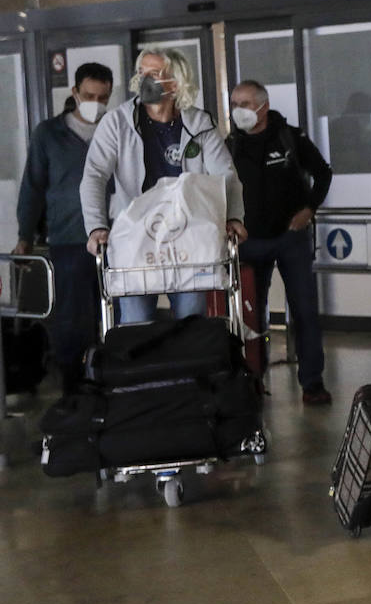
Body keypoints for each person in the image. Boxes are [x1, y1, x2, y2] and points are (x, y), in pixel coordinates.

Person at [80, 47, 246, 323]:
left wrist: (234, 217)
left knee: (191, 322)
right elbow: (94, 175)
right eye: (142, 73)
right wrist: (96, 226)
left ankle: (189, 367)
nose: (146, 80)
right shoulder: (117, 123)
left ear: (177, 81)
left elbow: (226, 174)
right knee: (136, 323)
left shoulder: (199, 124)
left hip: (187, 237)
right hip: (134, 237)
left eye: (155, 74)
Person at [226, 80, 334, 405]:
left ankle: (312, 382)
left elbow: (323, 173)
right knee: (251, 314)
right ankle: (252, 379)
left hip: (291, 238)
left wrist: (309, 210)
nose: (238, 111)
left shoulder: (291, 137)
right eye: (235, 103)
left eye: (245, 103)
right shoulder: (229, 146)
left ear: (263, 105)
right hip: (248, 241)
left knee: (304, 310)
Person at [14, 62, 114, 390]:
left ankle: (114, 382)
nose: (96, 103)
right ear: (75, 92)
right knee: (72, 319)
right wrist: (24, 236)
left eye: (103, 97)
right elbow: (33, 186)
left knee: (114, 316)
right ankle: (74, 389)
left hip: (116, 240)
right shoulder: (49, 134)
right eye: (89, 95)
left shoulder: (117, 130)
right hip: (69, 239)